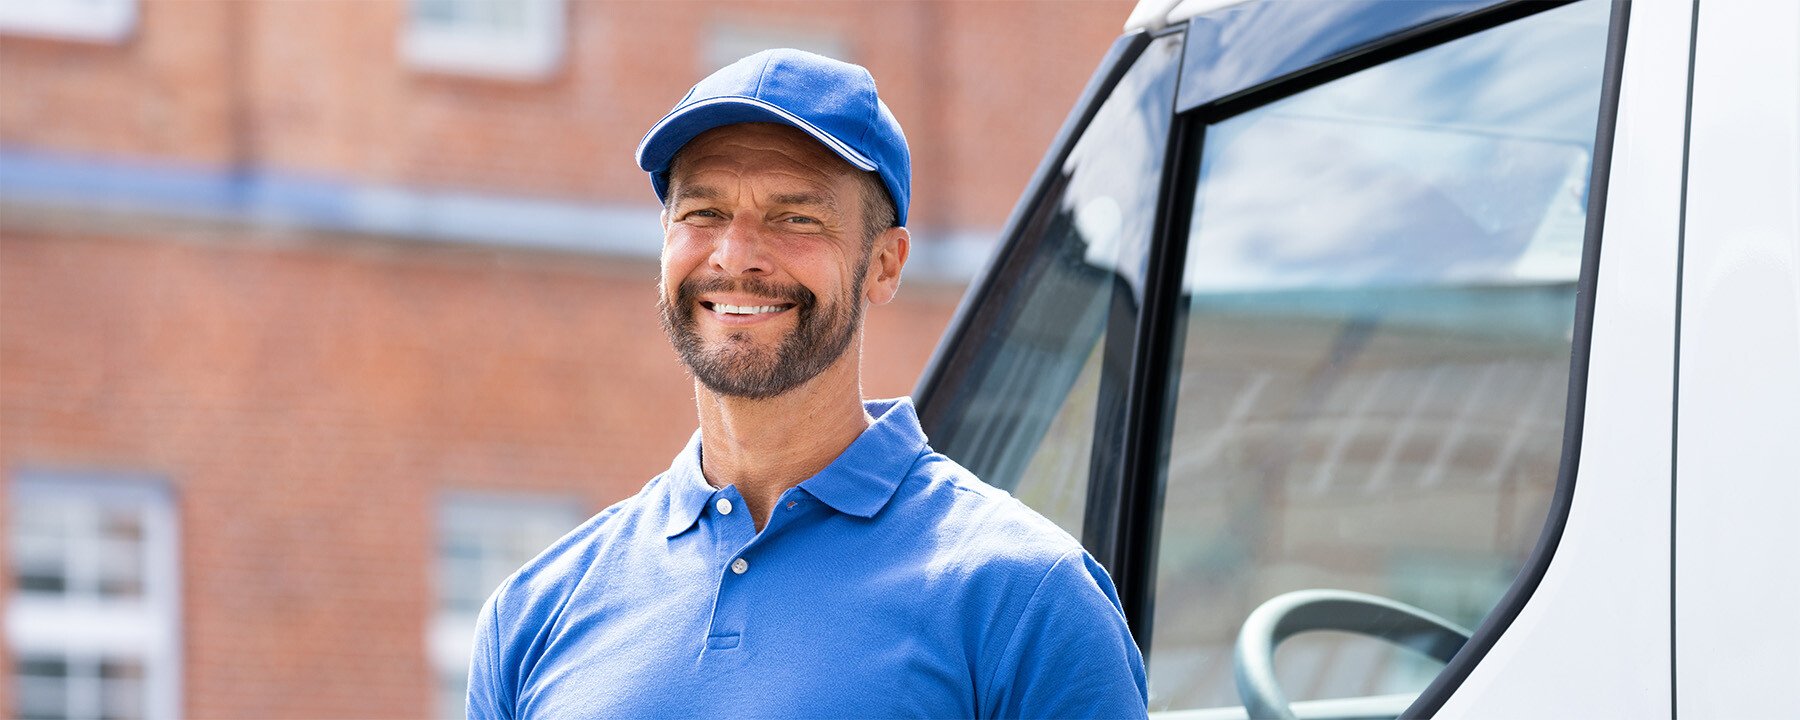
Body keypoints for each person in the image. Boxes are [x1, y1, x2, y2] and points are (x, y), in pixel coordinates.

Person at [466, 48, 1149, 719]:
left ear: (885, 264)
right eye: (702, 213)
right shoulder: (532, 617)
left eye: (796, 219)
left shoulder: (1026, 600)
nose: (735, 256)